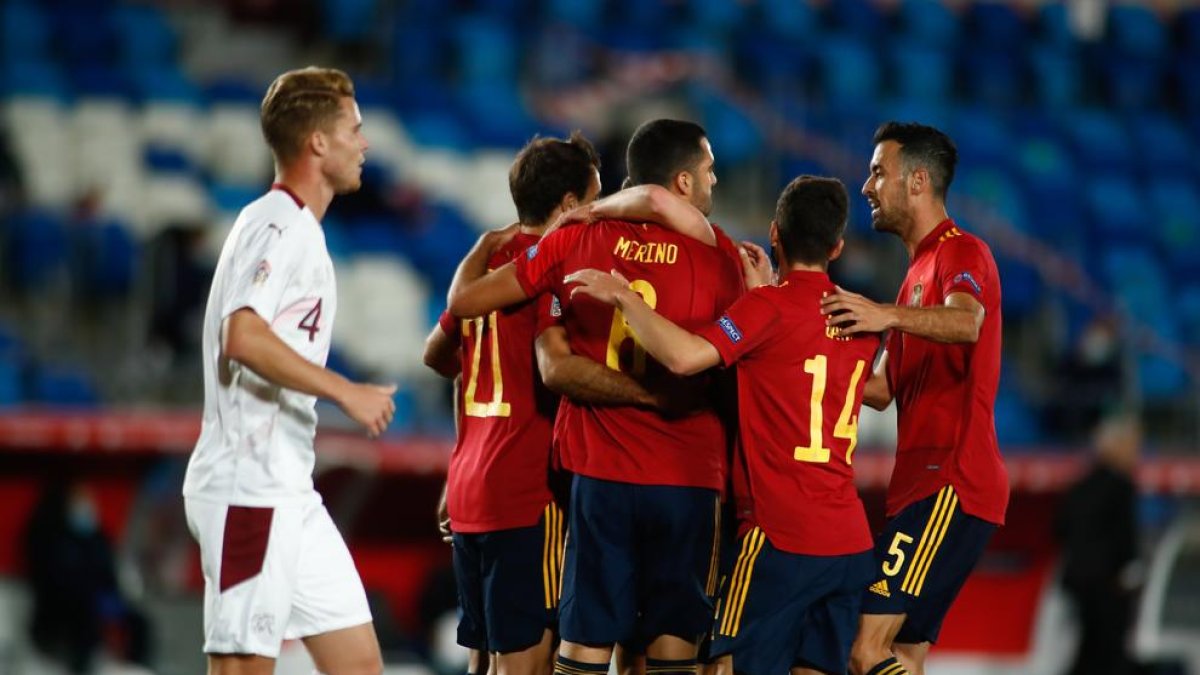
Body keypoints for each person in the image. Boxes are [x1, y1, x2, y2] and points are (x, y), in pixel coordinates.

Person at [447, 119, 754, 675]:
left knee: (584, 644)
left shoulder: (573, 240)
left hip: (599, 475)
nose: (715, 181)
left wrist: (486, 246)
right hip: (687, 475)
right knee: (672, 647)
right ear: (683, 183)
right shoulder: (721, 255)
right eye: (708, 170)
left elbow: (467, 303)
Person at [566, 175, 879, 675]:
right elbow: (809, 360)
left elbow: (688, 358)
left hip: (779, 538)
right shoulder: (860, 320)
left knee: (721, 667)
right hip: (847, 541)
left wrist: (625, 298)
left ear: (775, 233)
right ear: (837, 246)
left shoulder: (765, 309)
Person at [182, 67, 396, 675]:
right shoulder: (277, 225)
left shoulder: (297, 229)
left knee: (360, 665)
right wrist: (344, 391)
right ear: (318, 143)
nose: (365, 143)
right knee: (244, 669)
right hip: (247, 489)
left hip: (288, 491)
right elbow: (241, 335)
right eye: (354, 129)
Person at [819, 122, 1008, 675]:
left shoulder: (962, 252)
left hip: (950, 479)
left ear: (918, 181)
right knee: (901, 654)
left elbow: (967, 322)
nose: (866, 186)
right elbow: (878, 391)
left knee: (863, 648)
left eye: (879, 172)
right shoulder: (914, 277)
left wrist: (885, 316)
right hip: (924, 484)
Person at [421, 132, 605, 675]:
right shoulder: (554, 271)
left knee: (482, 662)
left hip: (471, 487)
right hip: (528, 493)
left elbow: (437, 357)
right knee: (527, 664)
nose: (599, 214)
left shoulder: (487, 266)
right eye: (594, 201)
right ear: (569, 205)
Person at [1055, 413, 1141, 675]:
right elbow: (1125, 540)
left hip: (1078, 580)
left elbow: (1059, 529)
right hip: (1108, 583)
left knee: (1088, 646)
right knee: (1108, 650)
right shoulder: (1121, 487)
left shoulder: (1079, 487)